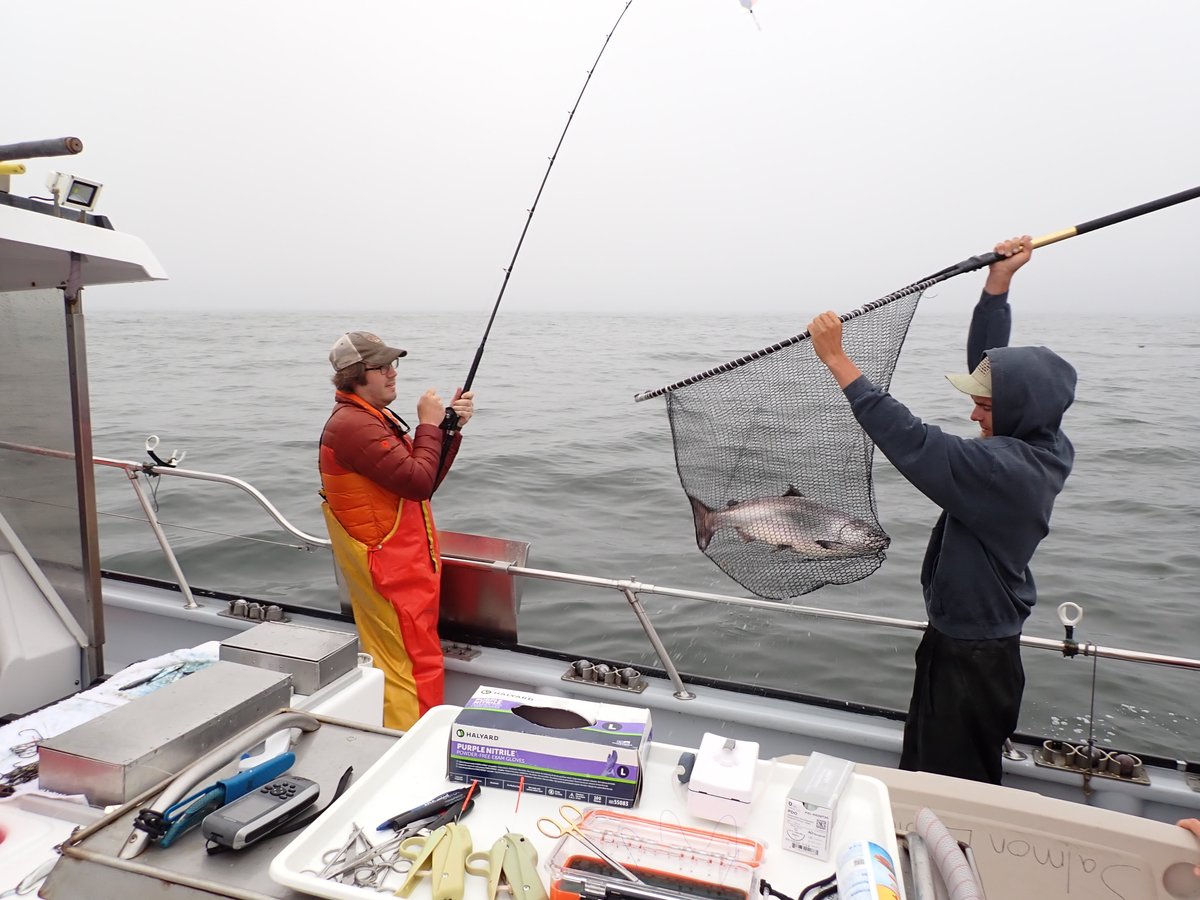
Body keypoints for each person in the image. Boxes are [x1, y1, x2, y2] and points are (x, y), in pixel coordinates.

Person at [807, 237, 1077, 784]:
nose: (973, 409)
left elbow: (914, 443)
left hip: (972, 661)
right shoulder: (1042, 441)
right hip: (969, 644)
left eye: (985, 402)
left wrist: (838, 360)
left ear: (1018, 410)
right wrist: (997, 287)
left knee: (950, 786)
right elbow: (992, 370)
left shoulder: (1005, 472)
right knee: (931, 767)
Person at [318, 330, 475, 730]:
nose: (392, 373)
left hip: (404, 569)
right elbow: (417, 483)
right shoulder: (353, 425)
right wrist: (428, 424)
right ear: (356, 374)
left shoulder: (372, 418)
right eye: (381, 367)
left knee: (417, 659)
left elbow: (422, 482)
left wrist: (448, 429)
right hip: (388, 571)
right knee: (409, 668)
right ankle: (408, 748)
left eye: (393, 365)